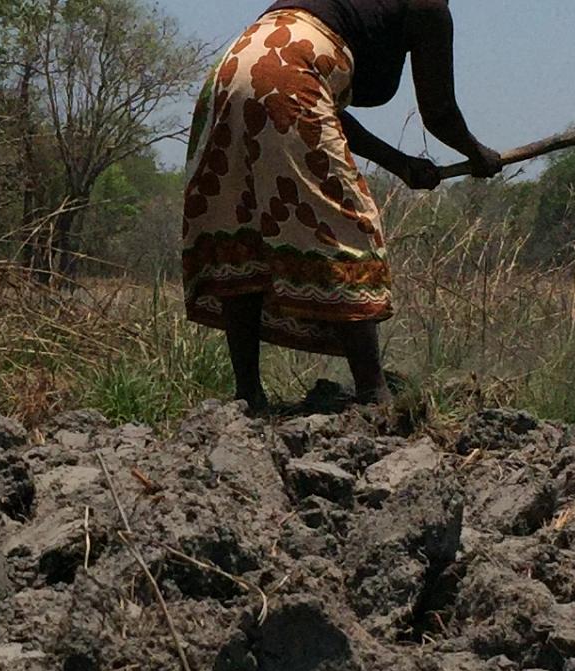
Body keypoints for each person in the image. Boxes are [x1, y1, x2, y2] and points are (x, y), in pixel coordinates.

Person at [181, 0, 499, 410]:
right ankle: (373, 393)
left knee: (242, 228)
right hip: (292, 73)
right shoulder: (428, 4)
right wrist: (478, 153)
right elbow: (438, 110)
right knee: (343, 226)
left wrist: (399, 164)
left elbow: (318, 104)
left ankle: (248, 396)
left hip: (232, 69)